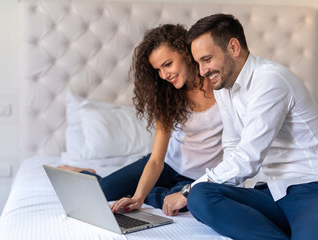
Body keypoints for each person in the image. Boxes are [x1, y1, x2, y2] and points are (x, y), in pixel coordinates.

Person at [59, 24, 223, 216]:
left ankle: (151, 193)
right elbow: (156, 160)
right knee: (101, 190)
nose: (164, 75)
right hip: (167, 167)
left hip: (197, 178)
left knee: (178, 203)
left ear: (186, 53)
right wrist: (137, 198)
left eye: (168, 64)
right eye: (158, 70)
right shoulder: (169, 96)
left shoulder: (221, 88)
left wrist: (140, 194)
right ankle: (88, 173)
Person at [180, 13, 318, 240]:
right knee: (201, 196)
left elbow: (247, 159)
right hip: (270, 192)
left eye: (206, 59)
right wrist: (194, 192)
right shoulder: (223, 89)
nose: (202, 71)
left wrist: (186, 190)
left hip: (308, 188)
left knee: (192, 192)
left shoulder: (271, 80)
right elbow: (233, 146)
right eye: (198, 63)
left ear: (233, 47)